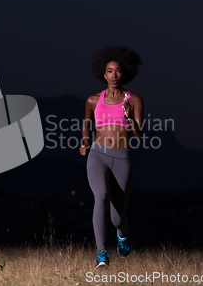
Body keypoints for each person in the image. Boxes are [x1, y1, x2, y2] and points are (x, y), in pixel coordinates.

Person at [79, 45, 144, 269]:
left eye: (117, 71)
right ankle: (101, 254)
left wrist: (130, 117)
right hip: (98, 155)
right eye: (109, 71)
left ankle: (123, 234)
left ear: (124, 73)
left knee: (118, 217)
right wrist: (85, 142)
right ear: (103, 74)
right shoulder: (93, 100)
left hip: (123, 157)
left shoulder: (133, 99)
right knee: (101, 196)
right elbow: (86, 123)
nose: (113, 75)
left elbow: (140, 135)